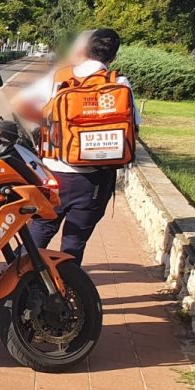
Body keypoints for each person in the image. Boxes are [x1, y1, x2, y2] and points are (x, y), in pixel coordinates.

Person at [16, 27, 137, 263]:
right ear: (113, 56)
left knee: (40, 230)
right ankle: (67, 281)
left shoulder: (58, 78)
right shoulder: (120, 83)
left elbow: (23, 107)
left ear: (85, 50)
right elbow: (133, 126)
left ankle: (19, 277)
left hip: (53, 172)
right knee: (75, 241)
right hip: (94, 178)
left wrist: (46, 127)